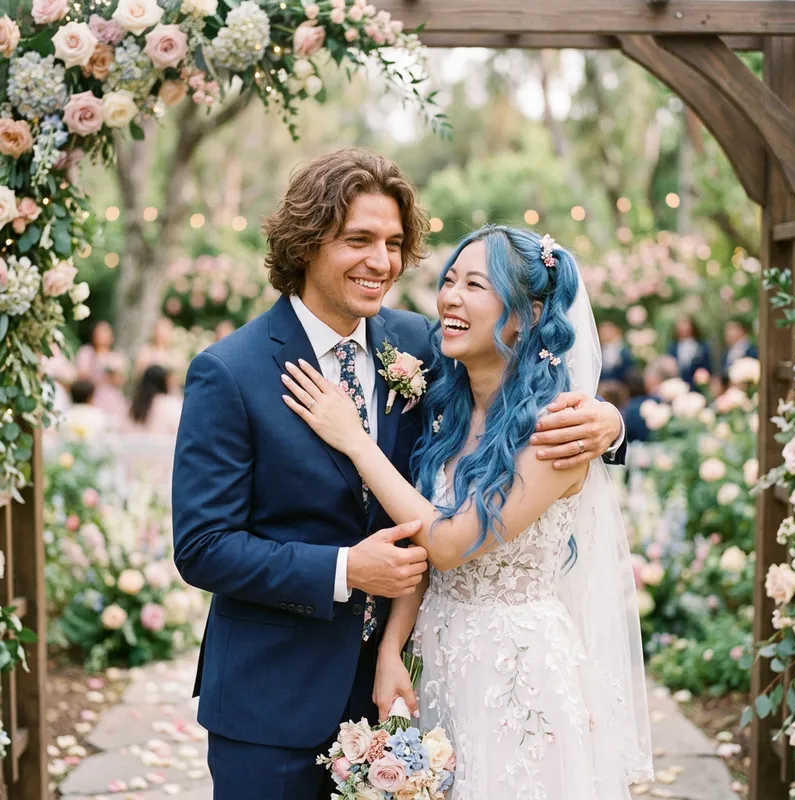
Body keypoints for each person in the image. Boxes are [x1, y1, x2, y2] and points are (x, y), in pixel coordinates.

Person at [171, 149, 626, 800]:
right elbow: (203, 548)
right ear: (306, 244)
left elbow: (518, 394)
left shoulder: (419, 345)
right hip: (272, 700)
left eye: (392, 243)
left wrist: (608, 422)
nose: (381, 262)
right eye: (358, 240)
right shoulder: (230, 373)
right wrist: (345, 570)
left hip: (405, 694)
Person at [283, 224, 652, 799]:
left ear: (528, 316)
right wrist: (392, 648)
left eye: (476, 285)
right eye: (449, 280)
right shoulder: (446, 406)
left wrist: (356, 441)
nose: (450, 297)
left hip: (518, 677)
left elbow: (451, 541)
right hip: (440, 659)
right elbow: (419, 539)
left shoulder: (554, 431)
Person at [75, 321, 129, 421]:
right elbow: (80, 377)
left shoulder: (116, 356)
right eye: (99, 333)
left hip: (112, 398)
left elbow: (122, 381)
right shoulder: (86, 352)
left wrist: (113, 374)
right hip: (91, 396)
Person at [124, 365, 183, 437]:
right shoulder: (170, 404)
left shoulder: (130, 405)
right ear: (164, 382)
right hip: (164, 447)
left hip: (131, 447)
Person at [666, 315, 713, 388]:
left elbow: (708, 368)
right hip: (678, 386)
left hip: (698, 386)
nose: (684, 328)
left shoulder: (701, 346)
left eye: (686, 324)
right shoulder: (672, 348)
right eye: (681, 324)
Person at [721, 318, 758, 383]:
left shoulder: (752, 350)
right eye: (727, 330)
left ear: (742, 330)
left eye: (732, 329)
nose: (728, 333)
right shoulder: (727, 352)